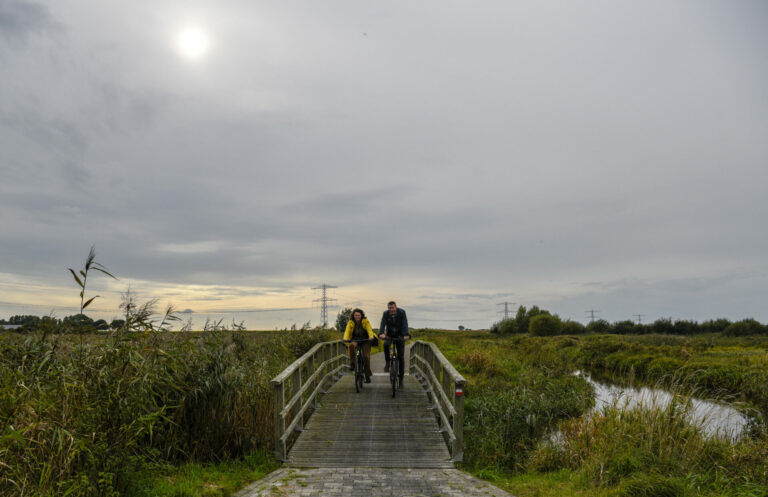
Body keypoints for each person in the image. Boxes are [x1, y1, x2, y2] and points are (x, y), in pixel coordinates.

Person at [379, 301, 409, 386]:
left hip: (400, 335)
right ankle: (388, 362)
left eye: (392, 308)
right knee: (385, 344)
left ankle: (401, 379)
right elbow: (382, 323)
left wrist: (406, 334)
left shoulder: (402, 312)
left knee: (401, 358)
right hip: (390, 334)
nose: (391, 309)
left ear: (396, 307)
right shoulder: (385, 314)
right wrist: (381, 333)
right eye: (389, 308)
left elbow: (405, 323)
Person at [343, 308, 375, 383]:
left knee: (366, 357)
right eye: (355, 315)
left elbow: (369, 329)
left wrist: (371, 336)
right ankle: (352, 363)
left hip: (365, 340)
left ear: (361, 315)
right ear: (353, 316)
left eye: (358, 315)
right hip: (355, 339)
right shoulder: (350, 322)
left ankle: (367, 376)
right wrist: (345, 337)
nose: (357, 317)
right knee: (351, 346)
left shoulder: (365, 321)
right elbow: (347, 331)